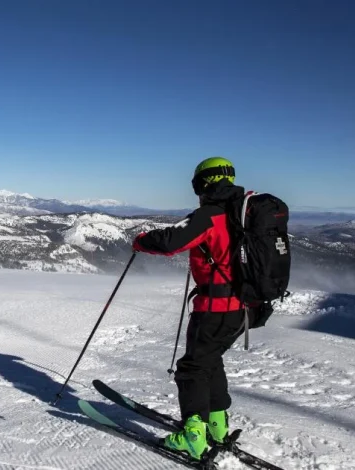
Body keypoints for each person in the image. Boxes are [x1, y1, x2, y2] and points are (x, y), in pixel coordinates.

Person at [131, 156, 249, 461]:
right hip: (243, 308)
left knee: (193, 368)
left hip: (214, 307)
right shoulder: (243, 214)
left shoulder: (210, 215)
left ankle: (193, 436)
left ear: (205, 183)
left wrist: (141, 240)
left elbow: (171, 241)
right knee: (210, 360)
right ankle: (217, 426)